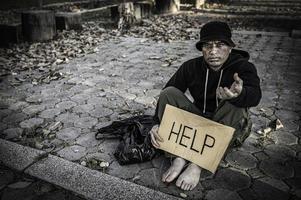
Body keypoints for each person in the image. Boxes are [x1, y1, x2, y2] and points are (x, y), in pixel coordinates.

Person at [149, 21, 262, 191]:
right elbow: (168, 95)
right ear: (202, 49)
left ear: (230, 47)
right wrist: (156, 124)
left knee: (236, 102)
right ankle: (177, 156)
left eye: (220, 45)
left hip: (228, 125)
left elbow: (255, 96)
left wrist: (240, 95)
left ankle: (197, 164)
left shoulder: (243, 67)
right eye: (207, 46)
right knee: (169, 92)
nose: (213, 51)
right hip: (199, 122)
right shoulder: (191, 66)